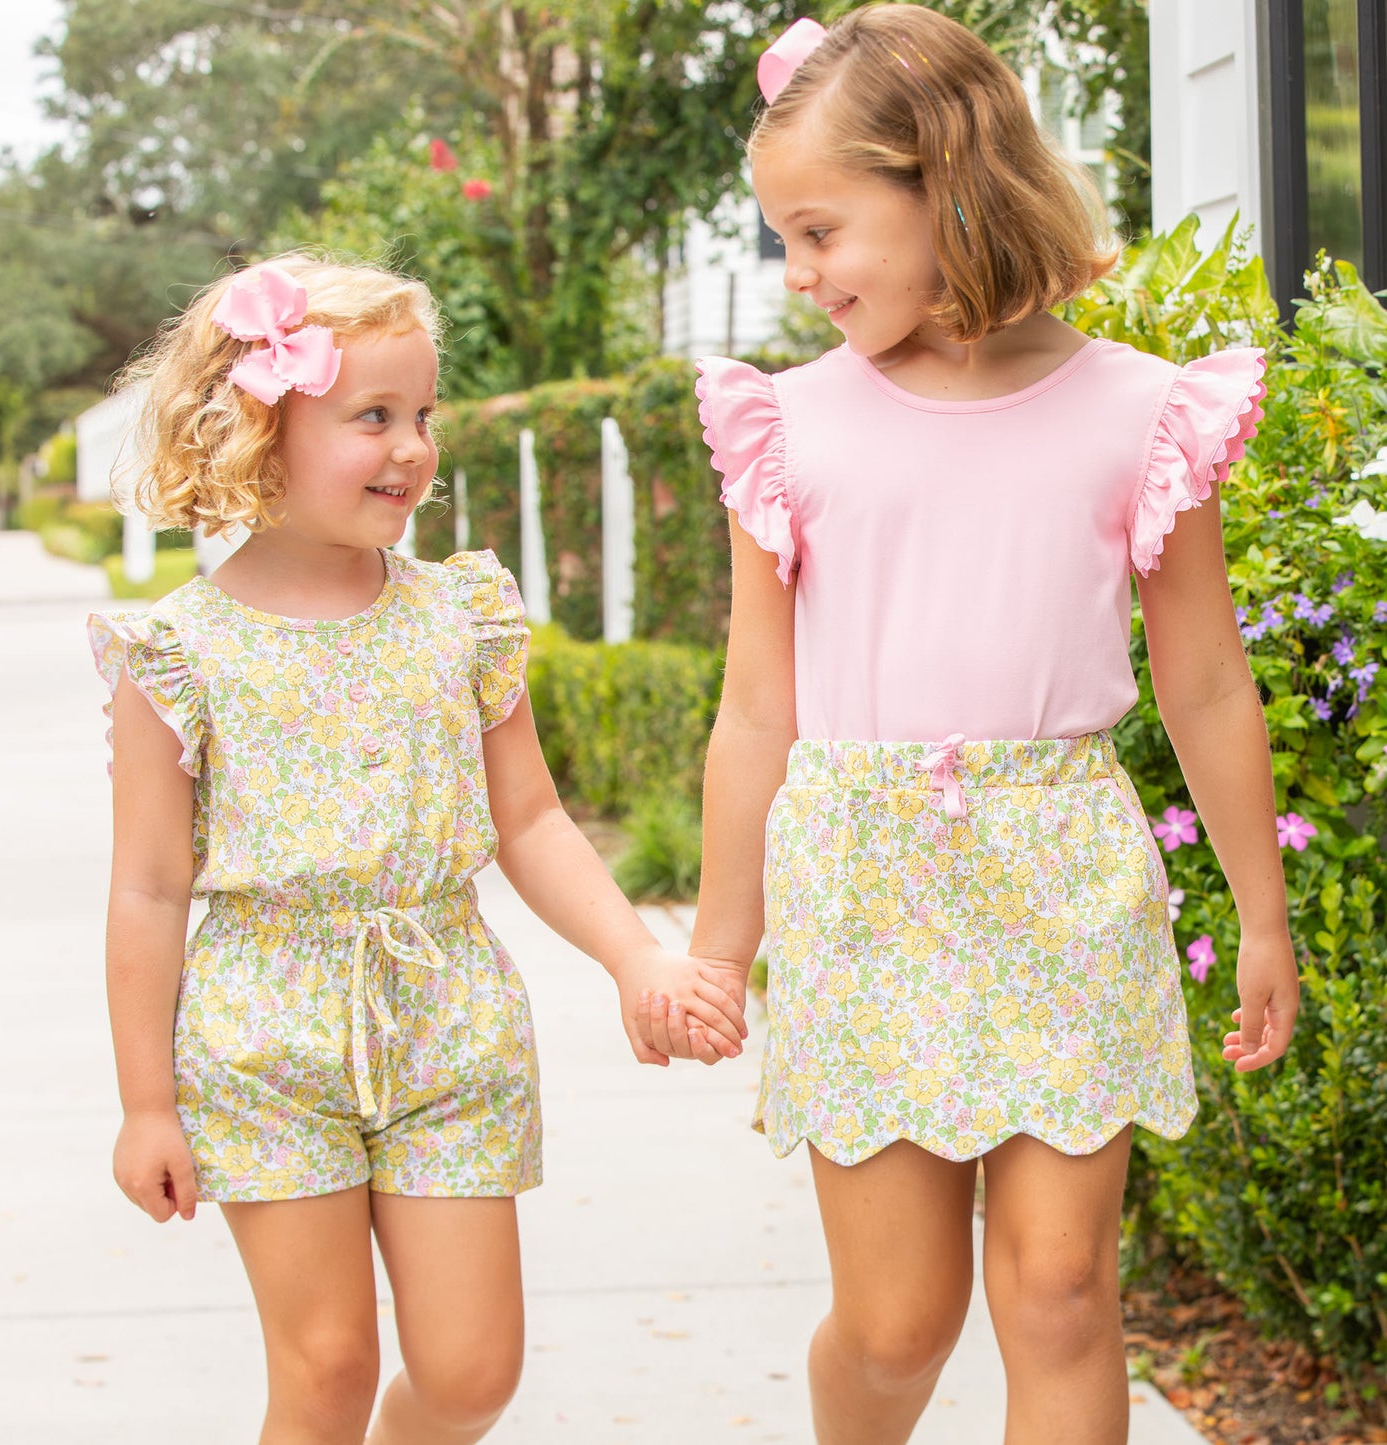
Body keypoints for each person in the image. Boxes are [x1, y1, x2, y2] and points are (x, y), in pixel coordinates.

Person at [643, 9, 1300, 1444]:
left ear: (943, 181)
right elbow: (757, 706)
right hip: (864, 882)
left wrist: (1260, 910)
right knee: (896, 1327)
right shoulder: (788, 427)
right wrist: (718, 943)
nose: (799, 274)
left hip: (1060, 874)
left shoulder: (1141, 414)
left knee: (1062, 1289)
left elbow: (1202, 682)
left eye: (820, 232)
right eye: (784, 242)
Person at [88, 255, 747, 1445]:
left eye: (423, 415)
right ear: (255, 433)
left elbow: (532, 819)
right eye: (372, 417)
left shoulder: (458, 615)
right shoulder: (177, 653)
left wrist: (633, 958)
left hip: (448, 1020)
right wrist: (147, 1103)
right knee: (327, 1366)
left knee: (469, 1371)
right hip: (261, 1038)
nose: (411, 447)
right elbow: (146, 887)